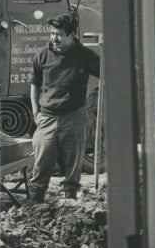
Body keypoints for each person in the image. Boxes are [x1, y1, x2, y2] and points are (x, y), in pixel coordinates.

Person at [29, 13, 102, 202]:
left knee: (73, 164)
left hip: (74, 116)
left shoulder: (85, 55)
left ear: (72, 35)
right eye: (52, 33)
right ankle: (35, 202)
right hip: (46, 117)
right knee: (41, 162)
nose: (54, 38)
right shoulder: (43, 54)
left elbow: (106, 72)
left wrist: (108, 51)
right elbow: (34, 83)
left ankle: (70, 202)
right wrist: (36, 112)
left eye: (60, 34)